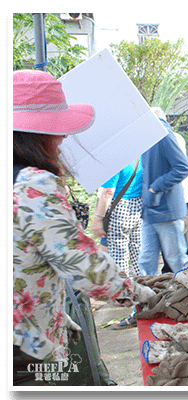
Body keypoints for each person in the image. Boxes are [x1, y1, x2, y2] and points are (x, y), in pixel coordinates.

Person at [12, 70, 152, 385]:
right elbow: (85, 266)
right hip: (23, 345)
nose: (62, 140)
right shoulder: (35, 184)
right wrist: (141, 294)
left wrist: (57, 316)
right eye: (57, 131)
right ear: (37, 135)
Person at [138, 107, 188, 277]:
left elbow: (183, 168)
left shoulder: (163, 133)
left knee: (177, 261)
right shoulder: (148, 137)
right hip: (150, 211)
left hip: (167, 212)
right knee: (146, 261)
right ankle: (145, 302)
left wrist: (156, 187)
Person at [92, 159, 143, 277]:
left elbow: (108, 192)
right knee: (139, 252)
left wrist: (98, 219)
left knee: (119, 256)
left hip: (119, 208)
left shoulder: (115, 162)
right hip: (138, 206)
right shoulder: (141, 157)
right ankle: (146, 283)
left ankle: (123, 290)